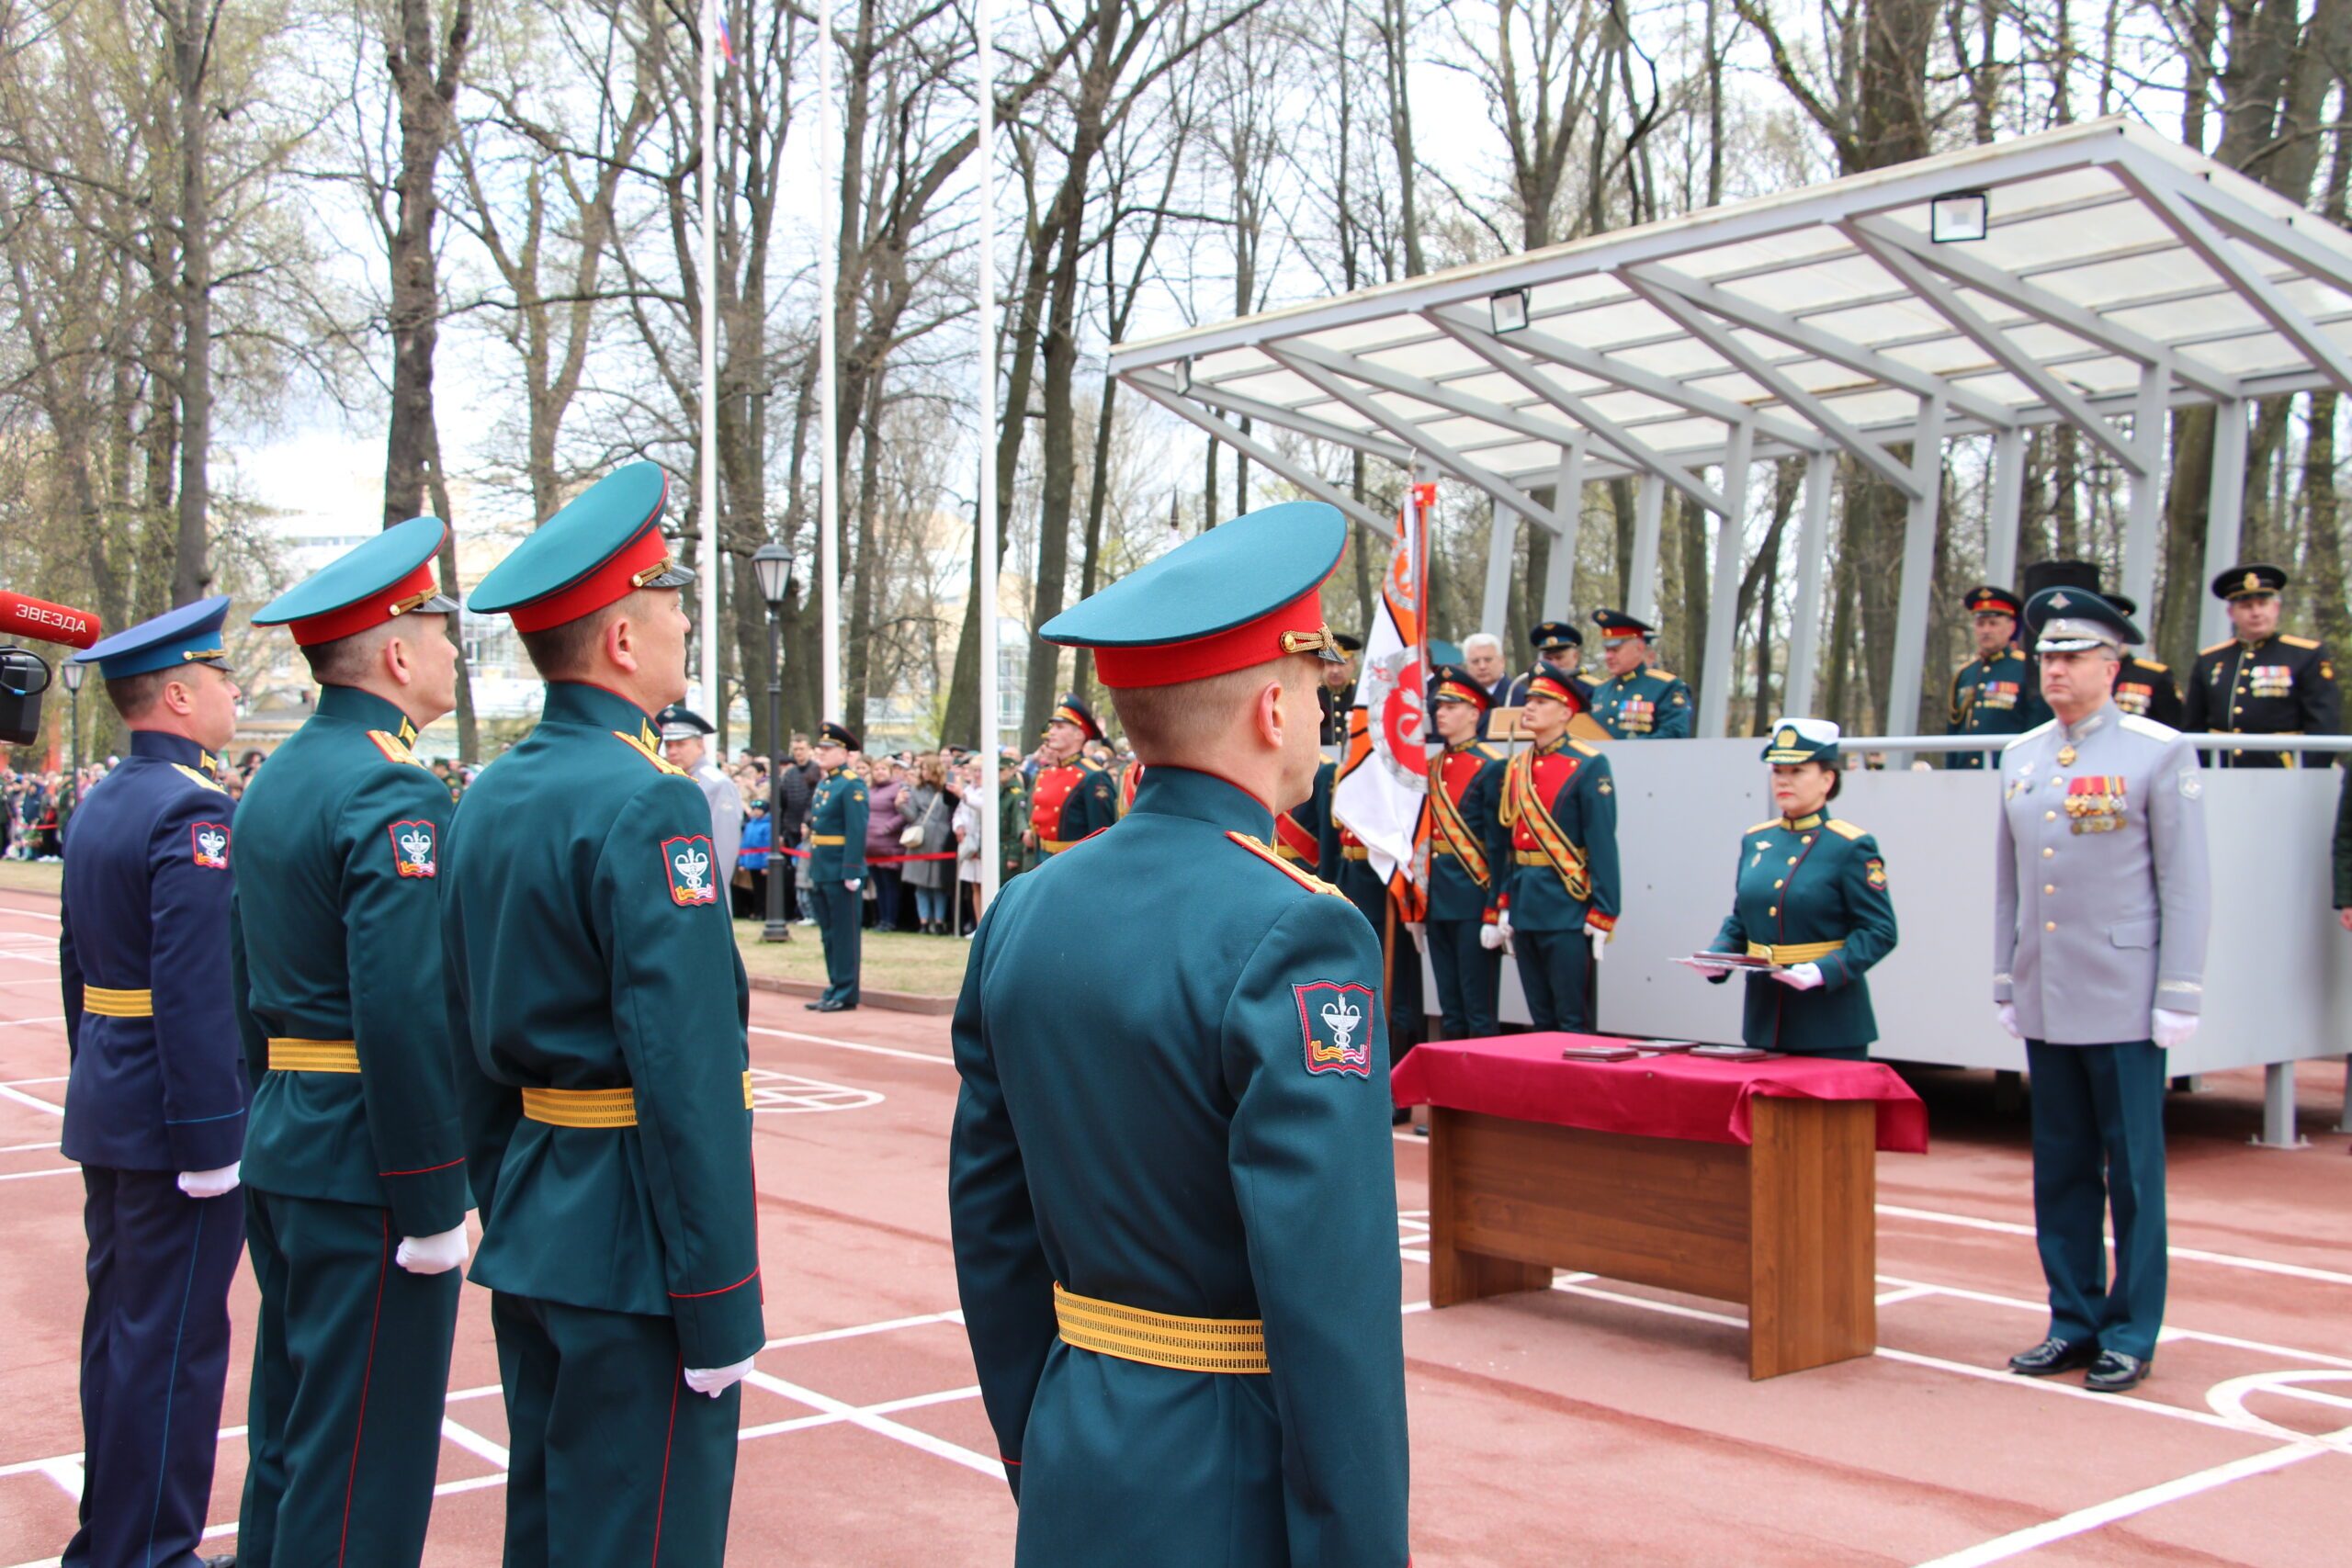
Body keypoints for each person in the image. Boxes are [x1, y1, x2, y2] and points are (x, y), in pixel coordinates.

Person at [950, 498, 1409, 1565]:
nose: (1318, 710)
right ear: (1268, 710)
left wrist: (1039, 1437)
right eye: (1310, 684)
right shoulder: (1302, 928)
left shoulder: (1027, 905)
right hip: (1231, 1476)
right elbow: (1329, 1293)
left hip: (1077, 1437)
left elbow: (992, 1221)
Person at [444, 463, 763, 1565]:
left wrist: (508, 1196)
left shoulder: (488, 793)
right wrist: (719, 1296)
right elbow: (687, 1068)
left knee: (546, 1528)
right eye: (671, 608)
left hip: (537, 1218)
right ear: (624, 640)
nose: (683, 629)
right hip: (637, 1253)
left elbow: (463, 1034)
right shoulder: (650, 801)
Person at [232, 517, 472, 1567]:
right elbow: (405, 1007)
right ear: (397, 650)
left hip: (289, 1132)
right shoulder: (392, 788)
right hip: (366, 1160)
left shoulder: (278, 776)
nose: (457, 653)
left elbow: (247, 980)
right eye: (443, 630)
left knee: (291, 1432)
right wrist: (430, 1194)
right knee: (364, 1455)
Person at [59, 596, 248, 1568]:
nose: (232, 692)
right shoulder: (192, 807)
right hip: (175, 1124)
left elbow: (73, 961)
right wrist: (214, 1139)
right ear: (177, 694)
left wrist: (97, 1071)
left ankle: (113, 1541)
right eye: (220, 677)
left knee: (120, 1338)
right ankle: (151, 1556)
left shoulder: (102, 801)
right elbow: (195, 988)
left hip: (111, 1100)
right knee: (174, 1349)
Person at [1995, 586, 2208, 1394]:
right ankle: (2072, 1318)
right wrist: (2004, 975)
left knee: (2133, 1174)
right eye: (2046, 655)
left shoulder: (2158, 751)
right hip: (2048, 993)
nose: (2054, 668)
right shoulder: (2021, 756)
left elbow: (2185, 885)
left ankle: (2130, 1329)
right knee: (2061, 1167)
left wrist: (2178, 989)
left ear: (2112, 667)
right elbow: (2010, 882)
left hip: (2125, 992)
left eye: (2072, 655)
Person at [1691, 717, 1897, 1056]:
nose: (1784, 781)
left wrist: (1823, 970)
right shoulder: (1757, 839)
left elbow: (1880, 930)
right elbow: (1742, 918)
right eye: (1777, 772)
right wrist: (1720, 953)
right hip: (1765, 1017)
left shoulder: (1850, 845)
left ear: (1827, 779)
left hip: (1829, 1022)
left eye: (1798, 771)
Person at [1493, 661, 1621, 1032]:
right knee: (1540, 1017)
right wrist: (1504, 902)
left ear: (1566, 711)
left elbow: (1602, 843)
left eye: (1542, 700)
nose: (1529, 706)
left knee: (1572, 1018)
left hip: (1568, 907)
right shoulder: (1517, 766)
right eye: (1529, 698)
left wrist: (1605, 912)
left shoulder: (1588, 764)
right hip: (1525, 903)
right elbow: (1509, 845)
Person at [1421, 663, 1510, 1040]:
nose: (1440, 713)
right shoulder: (1430, 767)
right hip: (1438, 900)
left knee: (1479, 1010)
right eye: (1438, 706)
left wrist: (1497, 907)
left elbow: (1499, 846)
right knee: (1450, 1009)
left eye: (1451, 706)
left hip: (1475, 902)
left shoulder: (1492, 767)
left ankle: (1479, 1097)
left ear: (1474, 712)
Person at [2182, 563, 2341, 768]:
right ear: (2231, 613)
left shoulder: (2306, 655)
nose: (2256, 613)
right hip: (2220, 769)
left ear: (2275, 608)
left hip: (2283, 771)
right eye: (2246, 606)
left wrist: (2308, 773)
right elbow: (2193, 724)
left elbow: (2323, 724)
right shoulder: (2210, 659)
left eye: (2262, 603)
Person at [1946, 585, 2049, 768]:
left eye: (1993, 624)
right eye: (1980, 624)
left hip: (2007, 772)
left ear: (2011, 627)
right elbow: (1953, 730)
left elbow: (2037, 726)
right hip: (1965, 775)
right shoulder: (1965, 673)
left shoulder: (2027, 670)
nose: (1986, 630)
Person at [805, 720, 868, 1010]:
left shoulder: (851, 784)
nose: (822, 752)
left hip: (841, 869)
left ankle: (846, 992)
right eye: (821, 748)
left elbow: (856, 830)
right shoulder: (827, 783)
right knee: (829, 934)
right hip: (823, 867)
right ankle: (834, 986)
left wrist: (852, 870)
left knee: (845, 935)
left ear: (843, 753)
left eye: (827, 749)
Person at [662, 705, 745, 891]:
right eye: (669, 745)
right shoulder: (674, 780)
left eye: (681, 744)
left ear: (700, 745)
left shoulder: (717, 784)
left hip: (702, 887)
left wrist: (712, 891)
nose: (673, 751)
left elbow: (724, 847)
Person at [1024, 693, 1117, 857]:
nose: (1051, 732)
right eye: (1052, 726)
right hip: (1042, 862)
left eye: (1059, 727)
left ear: (1079, 734)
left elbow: (1102, 837)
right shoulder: (1045, 773)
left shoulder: (1094, 777)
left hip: (1074, 865)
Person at [1589, 609, 1692, 738]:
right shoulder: (1601, 690)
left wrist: (1629, 750)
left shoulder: (1666, 687)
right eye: (1607, 650)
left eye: (1615, 650)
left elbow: (1674, 733)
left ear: (1639, 648)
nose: (1608, 656)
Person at [2099, 594, 2184, 728]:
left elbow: (2174, 728)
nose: (2113, 639)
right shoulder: (2073, 673)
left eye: (2119, 630)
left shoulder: (2154, 676)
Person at [904, 753, 957, 933]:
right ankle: (924, 921)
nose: (923, 772)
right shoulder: (916, 789)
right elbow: (911, 815)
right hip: (921, 839)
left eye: (926, 768)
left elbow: (953, 806)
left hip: (941, 840)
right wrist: (900, 805)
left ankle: (939, 921)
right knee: (920, 884)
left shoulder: (946, 787)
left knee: (938, 884)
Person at [865, 755, 909, 931]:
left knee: (890, 885)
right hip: (871, 845)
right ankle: (881, 919)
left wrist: (888, 827)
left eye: (883, 769)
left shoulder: (897, 788)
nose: (879, 773)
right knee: (879, 885)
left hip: (889, 844)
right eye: (876, 769)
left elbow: (904, 813)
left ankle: (890, 920)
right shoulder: (870, 790)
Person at [738, 798, 773, 919]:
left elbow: (768, 845)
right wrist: (742, 861)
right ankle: (756, 911)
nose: (756, 812)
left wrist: (766, 865)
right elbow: (744, 844)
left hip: (761, 861)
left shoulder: (768, 826)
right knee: (756, 889)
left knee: (763, 890)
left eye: (759, 809)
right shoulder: (750, 824)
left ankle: (763, 912)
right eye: (754, 809)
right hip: (752, 860)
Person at [1462, 631, 1513, 707]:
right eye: (1475, 661)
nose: (1482, 666)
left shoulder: (1517, 696)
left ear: (1502, 661)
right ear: (1467, 665)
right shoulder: (1461, 697)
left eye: (1488, 660)